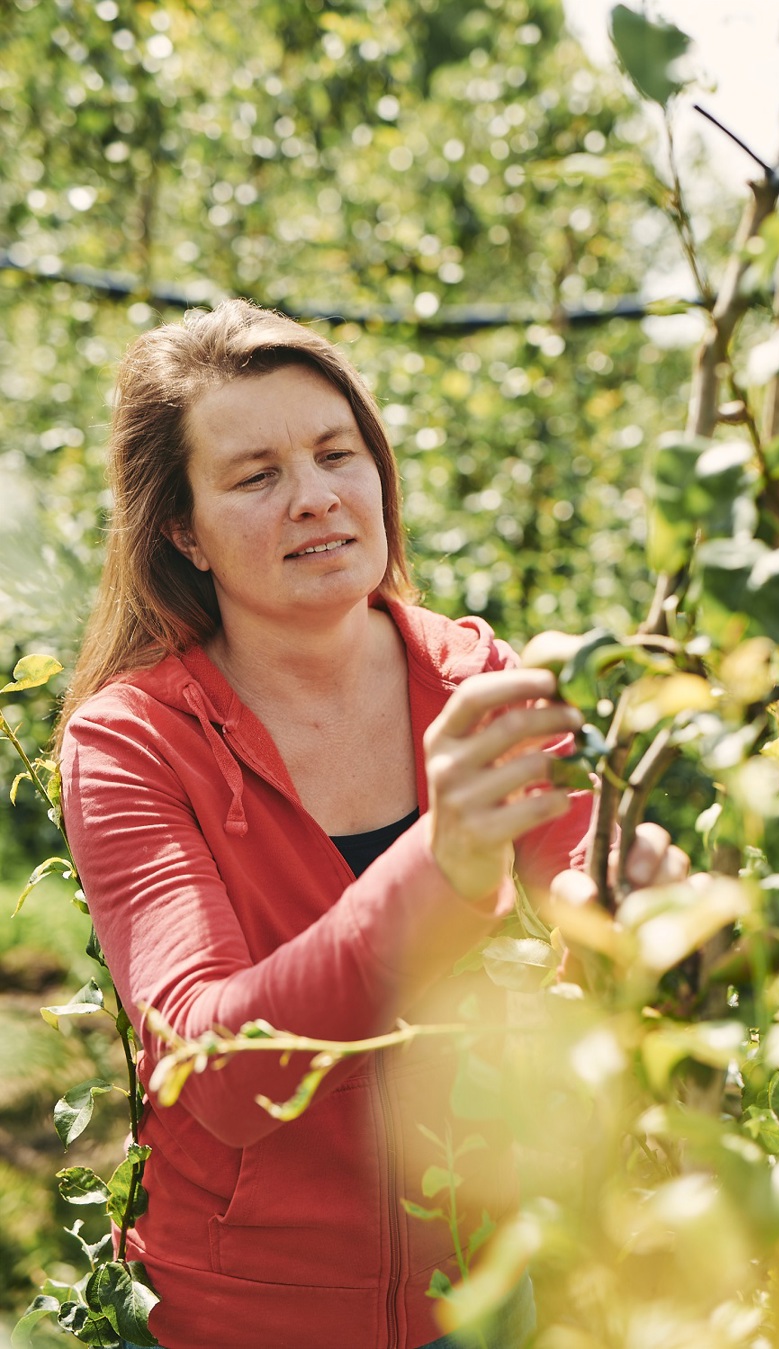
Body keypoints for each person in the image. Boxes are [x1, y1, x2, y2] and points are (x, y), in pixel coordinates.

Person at [56, 299, 688, 1349]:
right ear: (183, 531)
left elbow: (579, 859)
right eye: (255, 476)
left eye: (335, 453)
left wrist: (634, 900)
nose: (315, 496)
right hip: (246, 1319)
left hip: (478, 1290)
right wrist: (443, 865)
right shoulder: (135, 744)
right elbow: (219, 1067)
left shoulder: (475, 678)